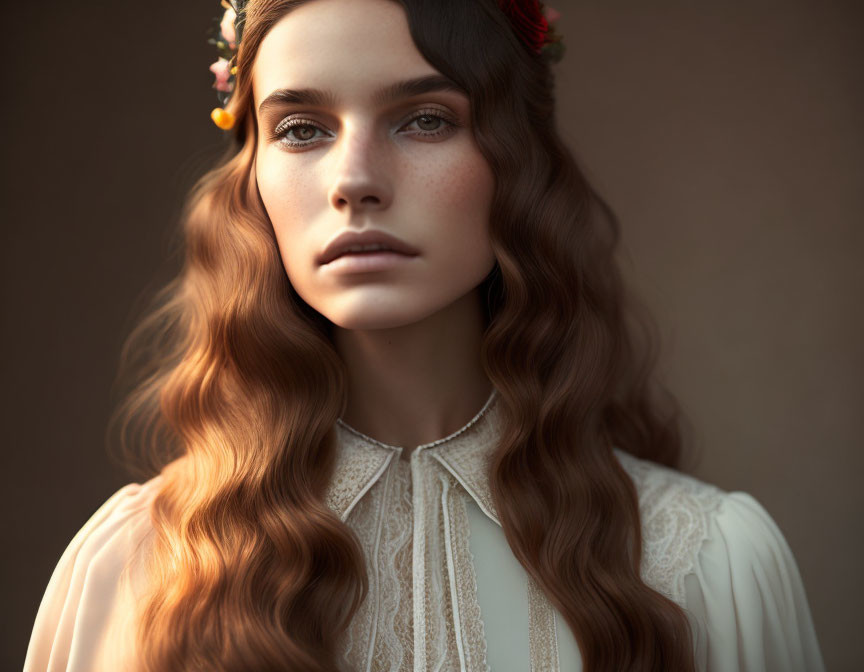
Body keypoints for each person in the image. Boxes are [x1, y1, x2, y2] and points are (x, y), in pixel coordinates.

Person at [23, 1, 826, 670]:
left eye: (425, 119)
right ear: (253, 177)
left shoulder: (709, 565)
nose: (354, 182)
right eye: (302, 128)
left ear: (518, 159)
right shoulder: (134, 572)